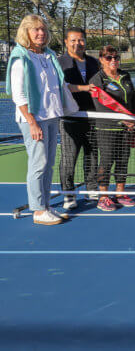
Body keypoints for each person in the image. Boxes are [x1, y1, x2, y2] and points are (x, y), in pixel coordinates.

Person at [6, 15, 82, 225]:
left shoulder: (48, 56)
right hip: (34, 120)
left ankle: (46, 205)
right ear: (26, 32)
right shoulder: (21, 58)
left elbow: (58, 86)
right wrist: (31, 122)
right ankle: (38, 211)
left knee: (47, 165)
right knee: (38, 165)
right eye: (35, 30)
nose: (41, 33)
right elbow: (18, 94)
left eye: (43, 30)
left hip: (50, 117)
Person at [89, 45, 135, 211]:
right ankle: (103, 197)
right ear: (101, 60)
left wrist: (134, 120)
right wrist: (124, 120)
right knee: (106, 161)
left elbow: (133, 98)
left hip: (127, 129)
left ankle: (120, 193)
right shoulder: (97, 79)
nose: (113, 61)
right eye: (108, 57)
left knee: (123, 161)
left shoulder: (125, 75)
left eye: (116, 57)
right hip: (106, 128)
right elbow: (101, 105)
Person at [57, 27, 100, 209]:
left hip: (93, 117)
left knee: (91, 155)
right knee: (69, 158)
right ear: (66, 42)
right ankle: (68, 193)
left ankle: (92, 187)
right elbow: (60, 87)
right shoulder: (59, 63)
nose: (78, 44)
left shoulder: (94, 62)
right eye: (73, 40)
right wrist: (83, 89)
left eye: (81, 40)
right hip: (70, 118)